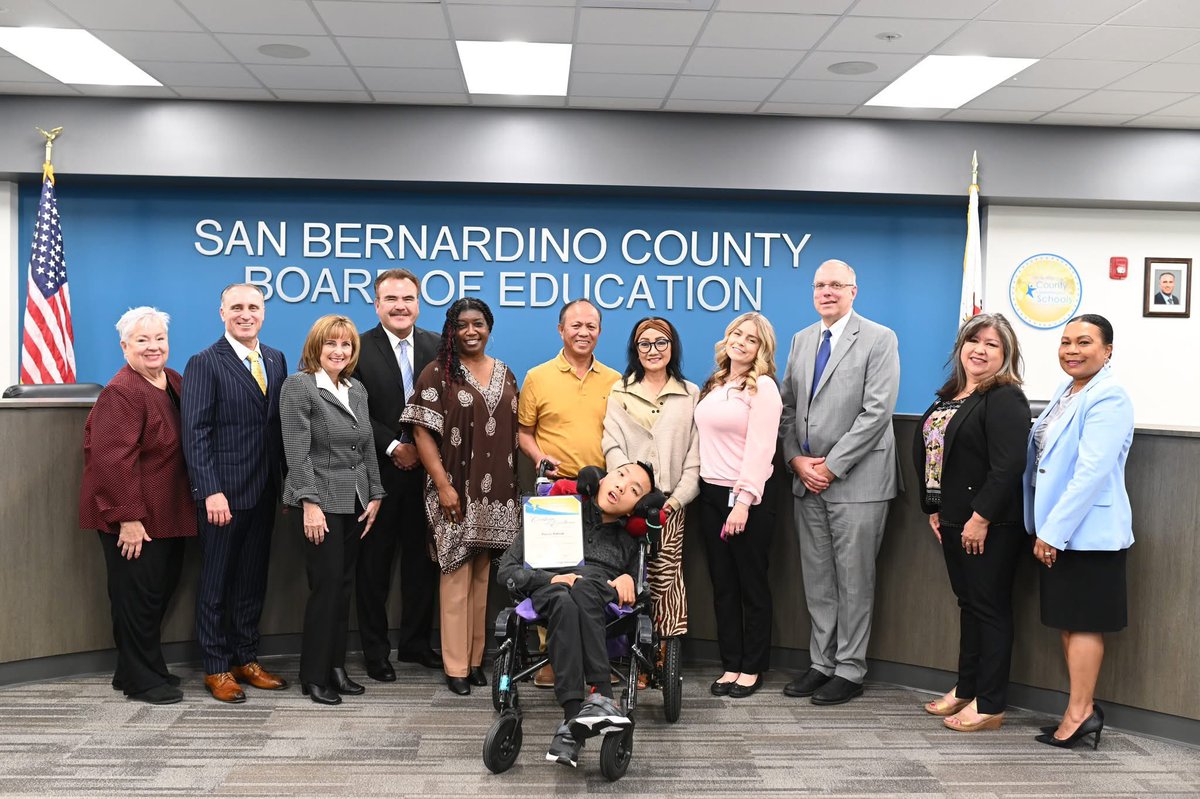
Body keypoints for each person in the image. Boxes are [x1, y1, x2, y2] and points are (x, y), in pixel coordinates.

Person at [778, 259, 900, 706]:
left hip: (858, 481)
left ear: (854, 290)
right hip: (806, 481)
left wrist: (830, 466)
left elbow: (877, 412)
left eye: (836, 285)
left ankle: (850, 669)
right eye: (819, 285)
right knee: (819, 579)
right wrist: (796, 460)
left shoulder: (879, 338)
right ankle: (821, 663)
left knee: (853, 580)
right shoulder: (802, 339)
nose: (826, 292)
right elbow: (786, 408)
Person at [496, 462, 662, 769]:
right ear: (601, 478)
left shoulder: (629, 540)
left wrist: (630, 582)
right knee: (564, 598)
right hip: (553, 590)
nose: (622, 487)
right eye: (620, 476)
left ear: (636, 506)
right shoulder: (553, 513)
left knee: (583, 590)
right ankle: (584, 712)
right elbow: (506, 571)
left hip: (602, 597)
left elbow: (642, 593)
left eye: (634, 490)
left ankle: (586, 710)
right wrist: (549, 580)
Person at [913, 313, 1030, 732]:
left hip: (989, 526)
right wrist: (933, 508)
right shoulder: (951, 395)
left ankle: (991, 703)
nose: (980, 350)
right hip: (952, 520)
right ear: (960, 347)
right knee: (970, 606)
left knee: (990, 609)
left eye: (992, 344)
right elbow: (934, 456)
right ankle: (967, 688)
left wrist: (980, 517)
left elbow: (1008, 466)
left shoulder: (1004, 397)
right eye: (973, 341)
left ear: (1006, 354)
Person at [1024, 314, 1133, 749]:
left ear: (1107, 351)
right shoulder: (1067, 391)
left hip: (1087, 533)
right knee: (1069, 623)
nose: (1072, 349)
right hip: (1061, 528)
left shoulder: (1109, 397)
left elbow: (1090, 472)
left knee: (1084, 625)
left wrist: (1053, 532)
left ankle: (1081, 713)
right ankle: (1078, 709)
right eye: (1066, 341)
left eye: (1084, 342)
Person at [401, 297, 520, 695]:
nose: (471, 331)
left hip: (496, 493)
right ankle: (454, 667)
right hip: (452, 490)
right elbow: (421, 432)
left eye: (478, 324)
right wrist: (444, 485)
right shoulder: (437, 373)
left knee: (483, 578)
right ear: (451, 330)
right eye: (462, 325)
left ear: (490, 327)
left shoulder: (506, 373)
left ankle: (473, 660)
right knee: (455, 576)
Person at [79, 307, 196, 705]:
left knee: (154, 596)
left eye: (159, 338)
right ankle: (142, 681)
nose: (153, 346)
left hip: (169, 513)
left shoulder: (174, 381)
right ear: (124, 346)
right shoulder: (122, 391)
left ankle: (134, 669)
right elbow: (111, 460)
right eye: (142, 340)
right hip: (135, 518)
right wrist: (128, 518)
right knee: (137, 599)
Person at [182, 283, 289, 703]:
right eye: (237, 307)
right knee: (216, 582)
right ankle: (215, 667)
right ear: (222, 312)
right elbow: (195, 433)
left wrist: (287, 488)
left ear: (263, 313)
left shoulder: (276, 359)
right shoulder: (205, 363)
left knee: (251, 581)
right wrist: (210, 490)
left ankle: (246, 658)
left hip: (264, 491)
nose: (246, 314)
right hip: (222, 495)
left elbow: (278, 429)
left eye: (254, 307)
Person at [280, 315, 384, 705]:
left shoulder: (356, 389)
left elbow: (368, 446)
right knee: (325, 589)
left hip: (355, 501)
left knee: (343, 588)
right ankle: (314, 675)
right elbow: (297, 452)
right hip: (320, 502)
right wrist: (309, 503)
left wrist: (375, 494)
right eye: (331, 344)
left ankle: (337, 668)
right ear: (316, 347)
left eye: (346, 345)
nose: (339, 352)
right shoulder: (299, 387)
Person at [518, 298, 620, 686]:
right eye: (575, 325)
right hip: (554, 493)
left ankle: (604, 659)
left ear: (599, 332)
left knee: (599, 573)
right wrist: (539, 455)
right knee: (553, 574)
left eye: (591, 326)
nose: (583, 332)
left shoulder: (615, 380)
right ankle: (551, 659)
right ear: (560, 330)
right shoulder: (538, 377)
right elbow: (524, 433)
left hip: (605, 493)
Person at [351, 269, 443, 681]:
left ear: (418, 303)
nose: (400, 306)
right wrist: (393, 445)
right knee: (374, 566)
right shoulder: (356, 347)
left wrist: (425, 453)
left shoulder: (439, 346)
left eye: (408, 298)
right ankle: (375, 651)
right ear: (377, 304)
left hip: (428, 474)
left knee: (422, 564)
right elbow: (350, 406)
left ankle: (416, 644)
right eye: (391, 299)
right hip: (376, 473)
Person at [693, 312, 782, 699]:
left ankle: (752, 667)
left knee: (751, 585)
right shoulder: (714, 384)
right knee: (723, 585)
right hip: (710, 495)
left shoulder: (762, 388)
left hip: (747, 498)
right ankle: (731, 663)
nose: (742, 342)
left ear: (762, 349)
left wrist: (743, 503)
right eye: (737, 334)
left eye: (752, 339)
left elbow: (762, 449)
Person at [602, 317, 699, 646]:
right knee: (628, 575)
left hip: (671, 504)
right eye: (645, 343)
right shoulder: (620, 390)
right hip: (626, 505)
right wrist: (631, 493)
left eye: (661, 343)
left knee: (664, 580)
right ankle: (630, 653)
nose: (653, 350)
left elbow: (694, 459)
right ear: (635, 349)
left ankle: (664, 654)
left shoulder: (690, 394)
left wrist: (674, 502)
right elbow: (611, 445)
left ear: (673, 348)